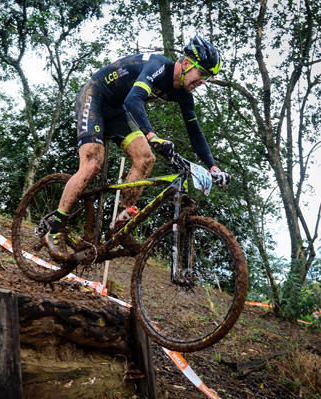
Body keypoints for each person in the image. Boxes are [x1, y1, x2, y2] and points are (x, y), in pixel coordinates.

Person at [45, 35, 230, 258]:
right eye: (202, 74)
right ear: (188, 63)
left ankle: (122, 223)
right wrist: (152, 136)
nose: (203, 81)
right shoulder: (158, 66)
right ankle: (55, 229)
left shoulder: (184, 94)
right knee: (93, 162)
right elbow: (134, 100)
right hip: (95, 98)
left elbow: (195, 133)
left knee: (145, 159)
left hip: (118, 111)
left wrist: (213, 168)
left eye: (207, 77)